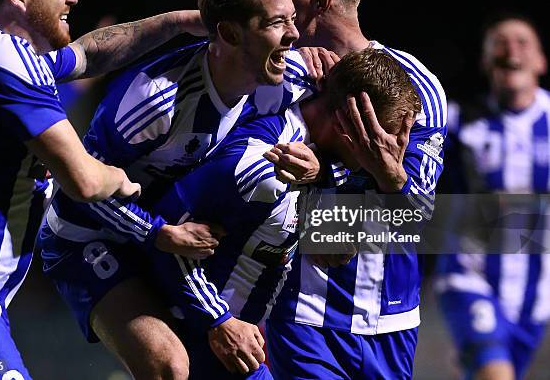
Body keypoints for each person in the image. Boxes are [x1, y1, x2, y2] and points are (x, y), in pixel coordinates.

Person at [0, 0, 209, 379]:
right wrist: (120, 178)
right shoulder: (3, 60)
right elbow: (84, 180)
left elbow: (94, 54)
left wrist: (179, 22)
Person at [39, 0, 321, 379]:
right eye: (277, 23)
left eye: (292, 19)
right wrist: (156, 232)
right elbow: (81, 189)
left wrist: (318, 165)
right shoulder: (155, 103)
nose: (294, 36)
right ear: (228, 32)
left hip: (171, 235)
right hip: (88, 237)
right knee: (168, 366)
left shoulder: (287, 76)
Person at [144, 47, 420, 379]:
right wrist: (217, 320)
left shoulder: (318, 162)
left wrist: (334, 178)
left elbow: (340, 248)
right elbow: (164, 241)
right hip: (208, 341)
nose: (391, 154)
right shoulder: (259, 168)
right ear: (346, 123)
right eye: (383, 140)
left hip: (243, 346)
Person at [257, 0, 447, 379]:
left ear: (319, 2)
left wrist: (328, 174)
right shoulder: (276, 78)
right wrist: (370, 179)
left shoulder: (418, 87)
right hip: (299, 314)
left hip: (391, 321)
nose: (276, 12)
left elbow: (415, 218)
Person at [434, 14, 550, 380]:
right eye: (499, 42)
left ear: (541, 61)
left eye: (521, 41)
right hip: (469, 276)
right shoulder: (458, 121)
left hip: (536, 295)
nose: (510, 49)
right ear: (486, 62)